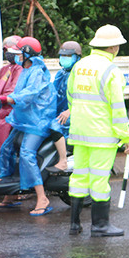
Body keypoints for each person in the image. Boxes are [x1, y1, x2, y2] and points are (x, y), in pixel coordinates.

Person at [66, 24, 129, 237]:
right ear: (114, 47)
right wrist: (126, 137)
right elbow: (118, 108)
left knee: (79, 177)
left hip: (79, 132)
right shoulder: (111, 71)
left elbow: (70, 95)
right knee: (99, 179)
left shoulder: (80, 66)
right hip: (102, 135)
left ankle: (75, 224)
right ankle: (100, 225)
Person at [0, 36, 57, 216]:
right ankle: (11, 194)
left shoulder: (36, 71)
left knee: (27, 154)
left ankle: (42, 197)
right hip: (24, 119)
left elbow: (30, 94)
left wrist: (9, 98)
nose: (16, 57)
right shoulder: (24, 70)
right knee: (6, 149)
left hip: (38, 121)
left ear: (27, 55)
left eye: (19, 53)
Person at [47, 41, 82, 172]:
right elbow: (53, 92)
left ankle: (63, 160)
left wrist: (69, 110)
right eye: (63, 56)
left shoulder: (79, 74)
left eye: (69, 56)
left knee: (54, 127)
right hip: (59, 112)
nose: (65, 59)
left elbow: (82, 96)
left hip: (72, 114)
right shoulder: (61, 73)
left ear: (77, 58)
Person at [0, 35, 23, 161]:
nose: (7, 53)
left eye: (10, 50)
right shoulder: (5, 69)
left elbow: (13, 91)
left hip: (9, 109)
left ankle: (1, 162)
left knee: (0, 127)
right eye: (5, 50)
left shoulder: (20, 69)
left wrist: (0, 98)